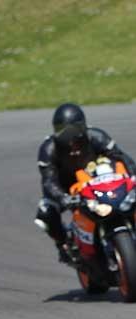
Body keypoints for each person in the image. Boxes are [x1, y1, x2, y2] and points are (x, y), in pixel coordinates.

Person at [34, 102, 136, 263]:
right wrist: (64, 198)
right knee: (46, 212)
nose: (68, 136)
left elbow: (121, 157)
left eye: (73, 130)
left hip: (96, 182)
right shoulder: (48, 149)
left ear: (82, 127)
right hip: (66, 189)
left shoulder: (96, 136)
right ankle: (64, 245)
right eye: (61, 129)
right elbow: (48, 181)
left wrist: (133, 175)